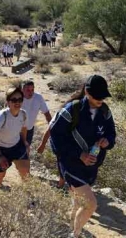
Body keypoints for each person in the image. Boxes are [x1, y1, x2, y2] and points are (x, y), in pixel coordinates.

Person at [49, 75, 116, 238]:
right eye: (97, 96)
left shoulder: (105, 112)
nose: (100, 99)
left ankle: (66, 225)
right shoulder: (72, 110)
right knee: (90, 205)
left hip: (92, 165)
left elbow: (111, 133)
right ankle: (75, 234)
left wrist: (108, 141)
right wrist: (80, 155)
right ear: (87, 92)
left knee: (78, 201)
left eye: (103, 96)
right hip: (71, 164)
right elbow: (56, 137)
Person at [0, 87, 30, 188]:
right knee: (0, 176)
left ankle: (28, 197)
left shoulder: (23, 114)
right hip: (0, 149)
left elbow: (24, 128)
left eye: (20, 100)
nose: (17, 102)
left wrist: (25, 142)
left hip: (16, 146)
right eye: (14, 100)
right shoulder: (2, 116)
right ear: (8, 102)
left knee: (25, 172)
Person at [21, 80, 52, 145]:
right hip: (16, 130)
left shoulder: (38, 98)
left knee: (26, 150)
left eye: (32, 90)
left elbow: (47, 113)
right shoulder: (17, 98)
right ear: (22, 90)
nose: (31, 92)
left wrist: (51, 126)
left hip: (29, 129)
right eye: (28, 90)